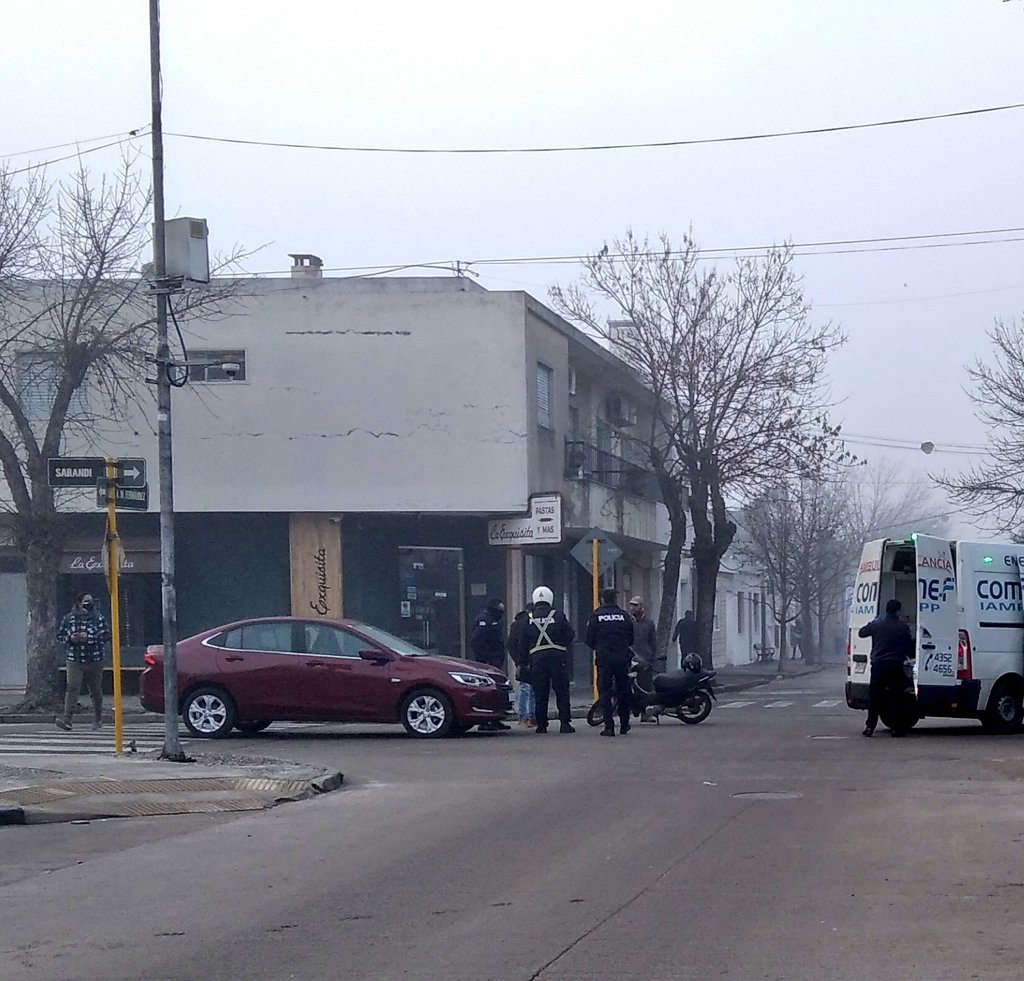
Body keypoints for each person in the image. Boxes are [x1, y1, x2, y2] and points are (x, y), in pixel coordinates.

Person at [517, 586, 576, 734]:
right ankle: (565, 724)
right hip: (557, 659)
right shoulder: (558, 616)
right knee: (562, 692)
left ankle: (542, 725)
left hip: (537, 661)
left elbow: (522, 643)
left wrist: (522, 663)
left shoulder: (528, 619)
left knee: (540, 693)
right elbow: (570, 635)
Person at [858, 598, 915, 737]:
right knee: (896, 697)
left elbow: (861, 633)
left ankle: (870, 727)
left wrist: (872, 622)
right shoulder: (903, 627)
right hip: (895, 665)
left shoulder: (877, 625)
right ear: (898, 611)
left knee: (875, 697)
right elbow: (910, 649)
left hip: (878, 665)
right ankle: (896, 728)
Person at [55, 591, 111, 732]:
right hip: (75, 659)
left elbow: (106, 636)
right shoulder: (69, 619)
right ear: (78, 603)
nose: (89, 604)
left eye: (90, 601)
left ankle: (98, 718)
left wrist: (89, 637)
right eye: (86, 601)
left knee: (95, 690)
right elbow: (60, 636)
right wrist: (71, 638)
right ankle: (67, 718)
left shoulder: (98, 618)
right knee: (72, 687)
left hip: (94, 659)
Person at [585, 587, 635, 737]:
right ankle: (625, 724)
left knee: (605, 692)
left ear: (602, 600)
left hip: (604, 659)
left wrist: (600, 648)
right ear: (615, 599)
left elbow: (589, 640)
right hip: (622, 659)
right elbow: (631, 639)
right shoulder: (624, 616)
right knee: (624, 691)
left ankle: (609, 726)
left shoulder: (596, 616)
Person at [470, 598, 510, 731]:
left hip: (495, 662)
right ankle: (485, 722)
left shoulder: (493, 620)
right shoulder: (484, 621)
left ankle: (495, 719)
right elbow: (476, 641)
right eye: (500, 609)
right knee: (487, 691)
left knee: (496, 692)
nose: (502, 613)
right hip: (488, 663)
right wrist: (485, 660)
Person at [506, 603, 536, 727]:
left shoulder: (517, 624)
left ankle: (525, 717)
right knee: (528, 688)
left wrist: (518, 661)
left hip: (523, 660)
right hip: (528, 660)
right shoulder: (526, 623)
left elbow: (510, 644)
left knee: (526, 688)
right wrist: (520, 661)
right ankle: (527, 716)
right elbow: (512, 644)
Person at [628, 595, 660, 691]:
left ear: (641, 606)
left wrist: (651, 658)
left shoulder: (649, 623)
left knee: (645, 686)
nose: (632, 608)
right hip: (631, 659)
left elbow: (653, 641)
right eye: (631, 605)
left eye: (635, 605)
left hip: (645, 660)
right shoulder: (628, 621)